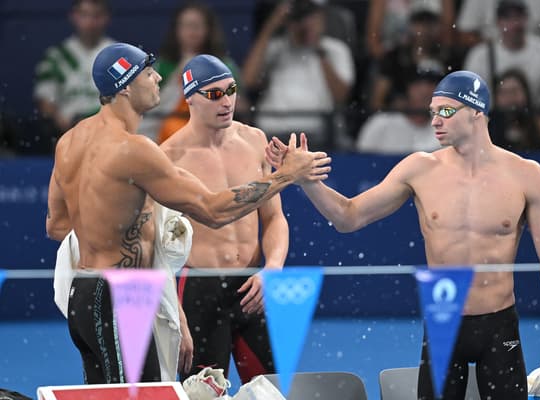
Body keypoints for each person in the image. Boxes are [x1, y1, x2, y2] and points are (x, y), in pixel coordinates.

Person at [267, 70, 540, 400]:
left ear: (476, 113)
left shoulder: (526, 175)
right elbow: (348, 217)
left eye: (445, 111)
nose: (435, 121)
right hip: (443, 325)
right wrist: (307, 182)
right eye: (432, 112)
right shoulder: (420, 169)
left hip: (500, 326)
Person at [45, 42, 330, 384]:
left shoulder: (70, 140)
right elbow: (212, 210)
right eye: (149, 74)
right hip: (123, 297)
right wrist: (286, 175)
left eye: (231, 91)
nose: (157, 80)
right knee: (143, 396)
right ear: (125, 87)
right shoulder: (139, 150)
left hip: (85, 296)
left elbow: (57, 225)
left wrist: (116, 229)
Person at [160, 54, 286, 384]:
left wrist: (271, 270)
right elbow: (154, 246)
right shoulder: (169, 158)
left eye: (231, 89)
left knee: (269, 391)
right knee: (203, 394)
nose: (227, 101)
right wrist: (177, 315)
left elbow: (274, 219)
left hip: (251, 285)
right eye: (214, 94)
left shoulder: (255, 140)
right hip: (199, 291)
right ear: (189, 99)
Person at [242, 0, 355, 150]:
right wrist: (270, 27)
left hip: (318, 134)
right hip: (272, 131)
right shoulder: (276, 47)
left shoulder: (335, 50)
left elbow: (341, 96)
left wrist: (318, 48)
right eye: (299, 16)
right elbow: (247, 80)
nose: (303, 22)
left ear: (321, 17)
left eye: (310, 15)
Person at [138, 1, 246, 143]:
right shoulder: (162, 66)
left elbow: (242, 107)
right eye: (186, 26)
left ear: (208, 29)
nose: (191, 32)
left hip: (213, 133)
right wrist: (178, 77)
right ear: (176, 30)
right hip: (165, 133)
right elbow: (150, 107)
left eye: (197, 26)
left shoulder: (224, 65)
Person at [33, 0, 114, 138]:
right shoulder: (56, 56)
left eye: (97, 15)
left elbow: (128, 98)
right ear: (73, 16)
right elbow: (45, 100)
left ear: (106, 17)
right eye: (84, 14)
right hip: (67, 133)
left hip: (109, 133)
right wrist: (66, 126)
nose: (90, 22)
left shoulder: (118, 54)